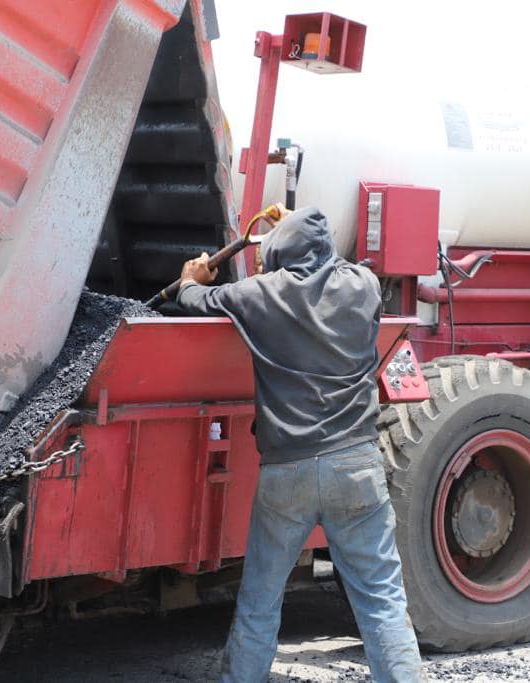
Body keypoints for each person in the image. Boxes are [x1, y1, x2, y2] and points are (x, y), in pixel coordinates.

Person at [176, 206, 425, 682]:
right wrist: (299, 221)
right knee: (381, 602)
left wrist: (191, 278)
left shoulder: (262, 294)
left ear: (277, 255)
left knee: (259, 602)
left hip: (286, 473)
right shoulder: (363, 287)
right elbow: (338, 258)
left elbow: (196, 301)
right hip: (356, 465)